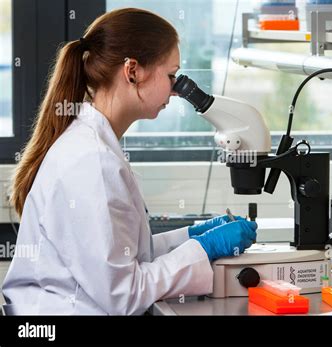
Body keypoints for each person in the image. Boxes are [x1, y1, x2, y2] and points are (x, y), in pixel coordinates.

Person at [1, 8, 257, 315]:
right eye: (171, 75)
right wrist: (204, 248)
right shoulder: (92, 163)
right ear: (132, 71)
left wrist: (190, 236)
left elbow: (125, 256)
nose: (175, 90)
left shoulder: (92, 144)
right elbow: (123, 293)